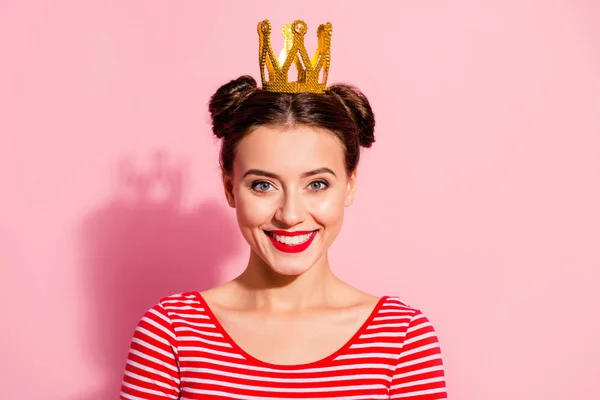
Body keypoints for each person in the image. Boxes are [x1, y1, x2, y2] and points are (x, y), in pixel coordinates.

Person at [120, 19, 447, 399]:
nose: (290, 214)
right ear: (229, 186)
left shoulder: (401, 338)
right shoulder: (170, 333)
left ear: (350, 185)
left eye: (317, 184)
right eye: (263, 185)